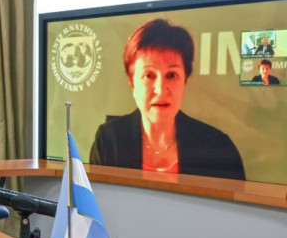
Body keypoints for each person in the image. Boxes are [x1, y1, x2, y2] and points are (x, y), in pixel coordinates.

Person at [89, 19, 245, 180]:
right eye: (149, 75)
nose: (161, 89)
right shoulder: (109, 141)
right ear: (131, 82)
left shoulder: (219, 149)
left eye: (171, 75)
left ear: (185, 80)